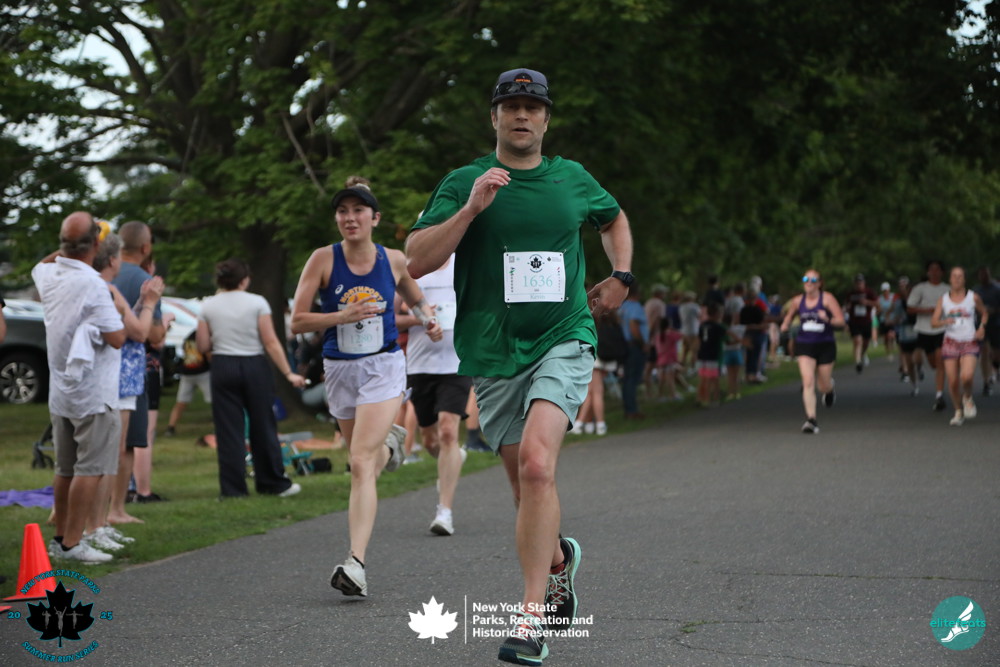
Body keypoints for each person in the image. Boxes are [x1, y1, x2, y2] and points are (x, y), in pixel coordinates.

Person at [405, 68, 632, 665]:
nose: (522, 115)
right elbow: (416, 259)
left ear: (546, 119)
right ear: (495, 117)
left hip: (564, 335)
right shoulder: (465, 181)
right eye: (512, 106)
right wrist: (471, 210)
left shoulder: (572, 178)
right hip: (494, 351)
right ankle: (558, 561)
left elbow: (613, 218)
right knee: (523, 485)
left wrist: (622, 275)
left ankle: (531, 618)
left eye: (533, 106)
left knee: (536, 464)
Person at [291, 177, 441, 598]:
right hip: (340, 369)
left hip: (383, 366)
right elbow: (297, 321)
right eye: (343, 211)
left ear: (375, 218)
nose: (350, 218)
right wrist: (341, 316)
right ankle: (391, 447)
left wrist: (428, 319)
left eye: (358, 210)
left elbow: (415, 297)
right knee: (365, 461)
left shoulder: (392, 259)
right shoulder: (323, 259)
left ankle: (355, 563)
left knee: (359, 462)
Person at [32, 212, 127, 564]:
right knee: (91, 469)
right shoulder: (93, 285)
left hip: (62, 391)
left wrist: (69, 244)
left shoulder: (48, 275)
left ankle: (60, 540)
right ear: (97, 245)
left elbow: (42, 264)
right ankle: (73, 543)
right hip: (94, 392)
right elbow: (117, 338)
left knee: (64, 468)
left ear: (63, 244)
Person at [197, 258, 307, 498]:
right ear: (244, 280)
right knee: (263, 425)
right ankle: (272, 483)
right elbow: (270, 341)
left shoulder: (208, 305)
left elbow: (203, 345)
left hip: (223, 365)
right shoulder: (257, 302)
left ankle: (233, 490)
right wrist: (288, 373)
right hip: (253, 365)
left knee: (228, 430)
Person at [395, 254, 470, 535]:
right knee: (430, 440)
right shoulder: (410, 270)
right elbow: (390, 318)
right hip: (420, 365)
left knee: (449, 431)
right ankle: (453, 458)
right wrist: (421, 319)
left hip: (457, 363)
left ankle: (444, 512)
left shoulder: (464, 264)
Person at [108, 221, 166, 524]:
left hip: (95, 371)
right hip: (129, 372)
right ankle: (116, 509)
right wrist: (162, 322)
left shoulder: (102, 277)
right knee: (126, 444)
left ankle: (63, 509)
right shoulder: (146, 281)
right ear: (145, 247)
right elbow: (152, 335)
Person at [780, 269, 846, 434]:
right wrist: (785, 325)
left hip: (825, 345)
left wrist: (827, 319)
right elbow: (789, 316)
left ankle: (829, 390)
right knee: (808, 381)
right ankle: (811, 420)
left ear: (819, 283)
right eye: (806, 279)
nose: (809, 283)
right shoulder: (797, 301)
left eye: (813, 280)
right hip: (805, 345)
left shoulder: (827, 299)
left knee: (822, 385)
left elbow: (841, 321)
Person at [931, 266, 988, 426]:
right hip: (951, 342)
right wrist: (944, 321)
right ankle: (958, 411)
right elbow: (933, 322)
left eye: (960, 276)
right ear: (950, 279)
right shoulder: (943, 299)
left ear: (964, 279)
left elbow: (984, 313)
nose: (957, 279)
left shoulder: (973, 297)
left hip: (969, 341)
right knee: (953, 381)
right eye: (954, 276)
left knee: (967, 376)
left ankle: (967, 397)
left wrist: (981, 327)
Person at [907, 261, 950, 411]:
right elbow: (910, 308)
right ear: (927, 272)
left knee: (940, 361)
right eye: (932, 270)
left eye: (937, 269)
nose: (934, 272)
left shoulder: (947, 289)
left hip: (942, 329)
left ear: (942, 272)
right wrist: (928, 310)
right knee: (931, 363)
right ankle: (924, 368)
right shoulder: (920, 289)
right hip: (924, 329)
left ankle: (939, 395)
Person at [165, 329, 212, 437]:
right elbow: (208, 354)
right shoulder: (205, 335)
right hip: (203, 372)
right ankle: (220, 425)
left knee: (181, 402)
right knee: (215, 401)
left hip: (187, 372)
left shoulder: (190, 337)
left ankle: (171, 427)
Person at [619, 281, 649, 419]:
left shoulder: (623, 306)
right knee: (633, 378)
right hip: (634, 346)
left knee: (627, 378)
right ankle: (632, 410)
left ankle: (628, 408)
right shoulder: (636, 307)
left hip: (624, 345)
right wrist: (642, 343)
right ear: (637, 293)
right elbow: (633, 325)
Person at [973, 266, 1000, 396]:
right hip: (981, 325)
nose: (984, 277)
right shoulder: (976, 291)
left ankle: (996, 366)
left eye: (986, 274)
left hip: (996, 324)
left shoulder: (997, 289)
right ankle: (986, 382)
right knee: (984, 351)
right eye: (981, 274)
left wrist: (993, 310)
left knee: (996, 353)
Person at [844, 273, 877, 374]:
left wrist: (867, 302)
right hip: (854, 321)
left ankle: (862, 354)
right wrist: (847, 309)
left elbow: (877, 304)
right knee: (857, 341)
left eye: (860, 283)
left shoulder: (869, 292)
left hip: (866, 321)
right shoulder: (851, 294)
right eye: (857, 283)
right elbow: (846, 306)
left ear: (864, 283)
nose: (859, 285)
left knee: (866, 342)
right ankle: (858, 362)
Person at [696, 303, 725, 406]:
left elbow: (699, 340)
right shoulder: (718, 327)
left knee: (702, 378)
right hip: (712, 355)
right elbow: (727, 338)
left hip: (702, 354)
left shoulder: (703, 325)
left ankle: (700, 398)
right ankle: (712, 399)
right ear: (716, 314)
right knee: (713, 378)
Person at [876, 282, 900, 362]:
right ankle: (889, 353)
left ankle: (893, 343)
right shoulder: (880, 298)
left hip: (893, 320)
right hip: (883, 320)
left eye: (886, 290)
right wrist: (879, 310)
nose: (885, 292)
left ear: (889, 290)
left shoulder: (893, 296)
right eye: (884, 290)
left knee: (891, 335)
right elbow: (878, 310)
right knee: (886, 338)